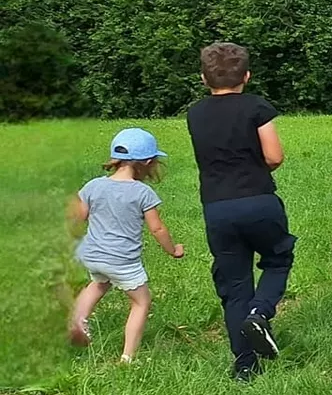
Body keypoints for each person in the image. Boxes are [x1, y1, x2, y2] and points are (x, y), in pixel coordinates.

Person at [186, 42, 294, 381]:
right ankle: (260, 313)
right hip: (259, 200)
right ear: (247, 75)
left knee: (234, 284)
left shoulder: (195, 114)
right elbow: (274, 156)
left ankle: (245, 365)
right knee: (278, 258)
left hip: (217, 207)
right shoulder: (257, 107)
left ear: (204, 78)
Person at [67, 128, 187, 363]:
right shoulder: (143, 192)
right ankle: (128, 358)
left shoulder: (93, 186)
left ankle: (77, 320)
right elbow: (157, 229)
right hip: (122, 261)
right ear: (148, 162)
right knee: (141, 302)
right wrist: (173, 250)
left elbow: (78, 217)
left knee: (99, 283)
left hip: (93, 254)